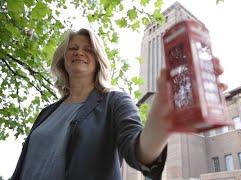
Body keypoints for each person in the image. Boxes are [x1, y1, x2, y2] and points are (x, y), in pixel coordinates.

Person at [12, 28, 227, 180]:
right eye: (73, 48)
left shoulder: (114, 100)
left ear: (97, 60)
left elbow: (138, 151)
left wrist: (161, 123)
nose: (79, 52)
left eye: (88, 49)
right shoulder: (46, 113)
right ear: (63, 59)